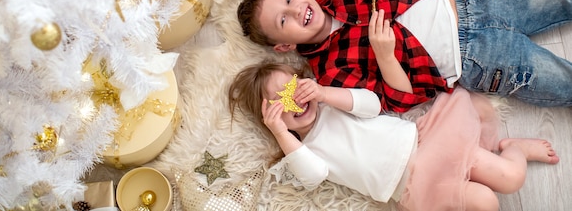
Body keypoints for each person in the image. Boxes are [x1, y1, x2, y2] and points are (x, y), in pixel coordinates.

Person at [237, 0, 572, 112]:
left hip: (477, 3)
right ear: (283, 46)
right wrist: (384, 56)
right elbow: (399, 100)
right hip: (477, 60)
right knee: (561, 82)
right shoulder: (328, 73)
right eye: (284, 20)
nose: (296, 9)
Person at [227, 59, 560, 211]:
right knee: (486, 203)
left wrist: (325, 93)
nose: (293, 102)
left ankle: (514, 148)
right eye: (279, 105)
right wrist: (282, 134)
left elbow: (372, 105)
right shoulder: (305, 152)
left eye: (292, 88)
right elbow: (313, 177)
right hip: (413, 190)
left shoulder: (333, 104)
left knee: (512, 178)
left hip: (430, 146)